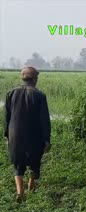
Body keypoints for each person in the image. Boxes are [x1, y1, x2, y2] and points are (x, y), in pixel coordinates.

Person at [4, 67, 51, 202]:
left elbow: (6, 117)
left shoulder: (11, 93)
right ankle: (31, 183)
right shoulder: (39, 95)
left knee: (18, 163)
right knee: (35, 159)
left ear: (23, 78)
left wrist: (7, 135)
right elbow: (44, 120)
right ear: (34, 79)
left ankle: (20, 191)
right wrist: (46, 139)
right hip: (34, 134)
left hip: (15, 133)